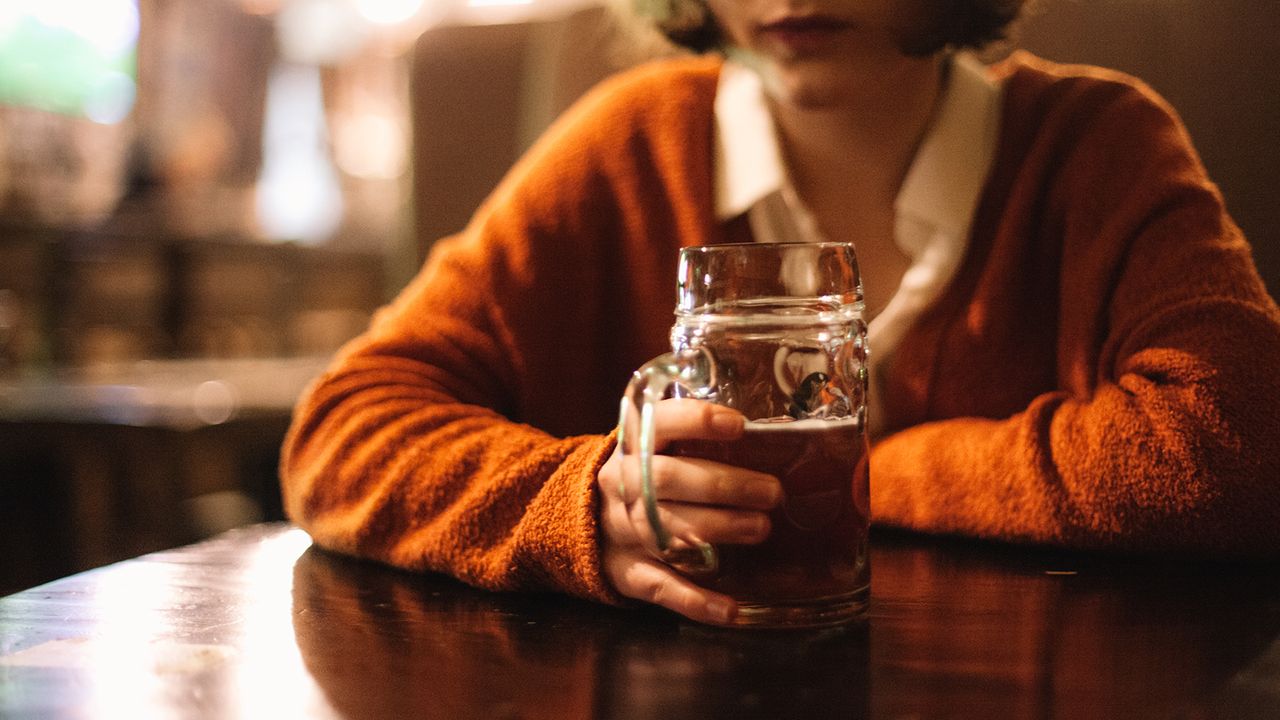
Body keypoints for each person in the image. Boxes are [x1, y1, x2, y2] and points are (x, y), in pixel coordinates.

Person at [280, 0, 1280, 626]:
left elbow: (1237, 453)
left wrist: (858, 478)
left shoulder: (1095, 143)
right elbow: (343, 428)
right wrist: (582, 500)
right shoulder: (628, 145)